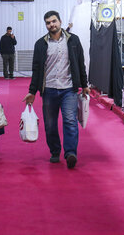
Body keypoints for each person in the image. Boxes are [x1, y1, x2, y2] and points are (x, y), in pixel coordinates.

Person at [23, 11, 90, 169]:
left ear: (60, 21)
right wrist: (32, 91)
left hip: (69, 90)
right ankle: (55, 151)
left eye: (54, 21)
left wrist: (85, 84)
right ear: (46, 25)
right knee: (50, 124)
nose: (51, 24)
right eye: (48, 22)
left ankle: (70, 153)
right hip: (49, 90)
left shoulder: (73, 40)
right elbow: (37, 69)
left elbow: (80, 63)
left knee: (70, 121)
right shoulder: (40, 44)